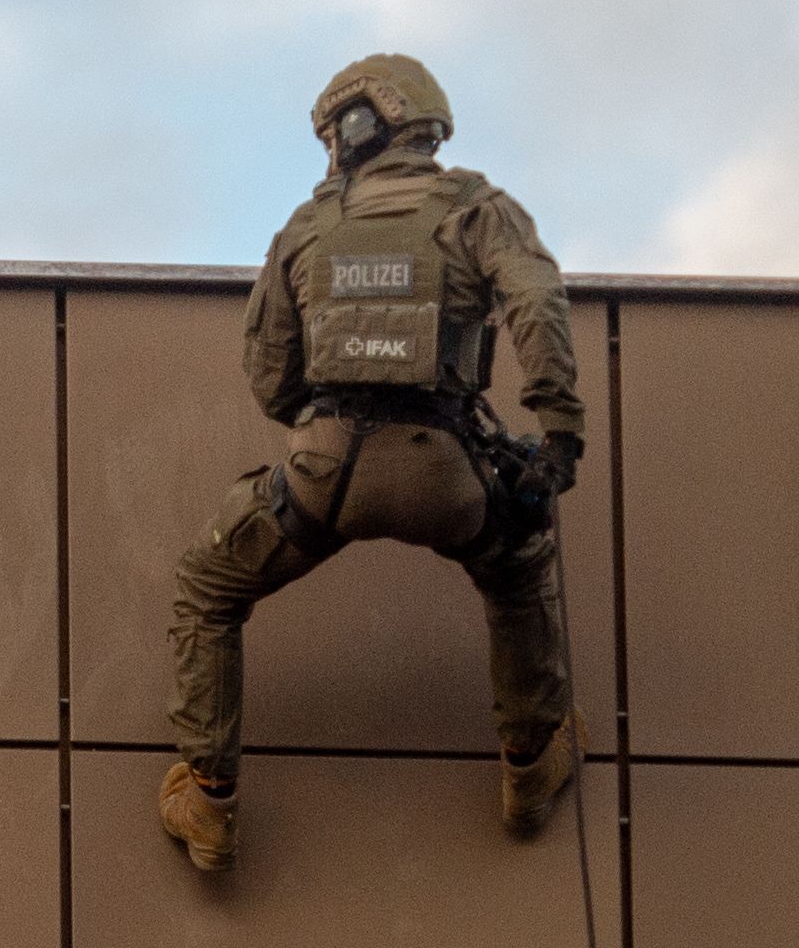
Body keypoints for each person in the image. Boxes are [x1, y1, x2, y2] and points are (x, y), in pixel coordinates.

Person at [160, 53, 584, 871]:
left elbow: (268, 374)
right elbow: (536, 299)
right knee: (519, 569)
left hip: (325, 474)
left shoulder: (307, 226)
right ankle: (531, 770)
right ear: (424, 124)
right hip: (447, 468)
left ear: (353, 129)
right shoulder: (476, 209)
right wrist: (558, 429)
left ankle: (209, 804)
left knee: (207, 587)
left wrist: (323, 424)